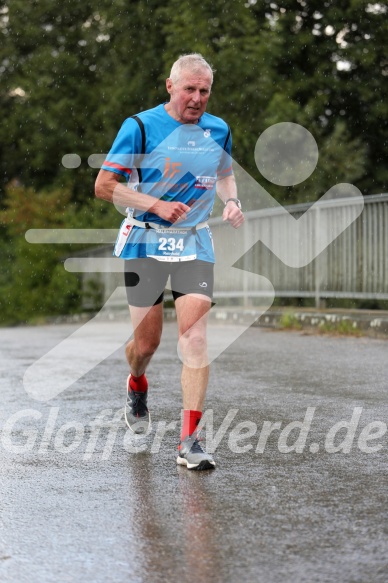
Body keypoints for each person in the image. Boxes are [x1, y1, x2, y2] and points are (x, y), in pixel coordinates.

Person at [95, 53, 244, 470]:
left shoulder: (219, 129)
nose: (197, 99)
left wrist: (231, 201)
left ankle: (189, 442)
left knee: (194, 339)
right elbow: (105, 187)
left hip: (194, 243)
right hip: (146, 241)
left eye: (204, 91)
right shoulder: (140, 127)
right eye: (189, 90)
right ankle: (137, 382)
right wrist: (154, 205)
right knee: (147, 344)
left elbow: (224, 172)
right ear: (170, 87)